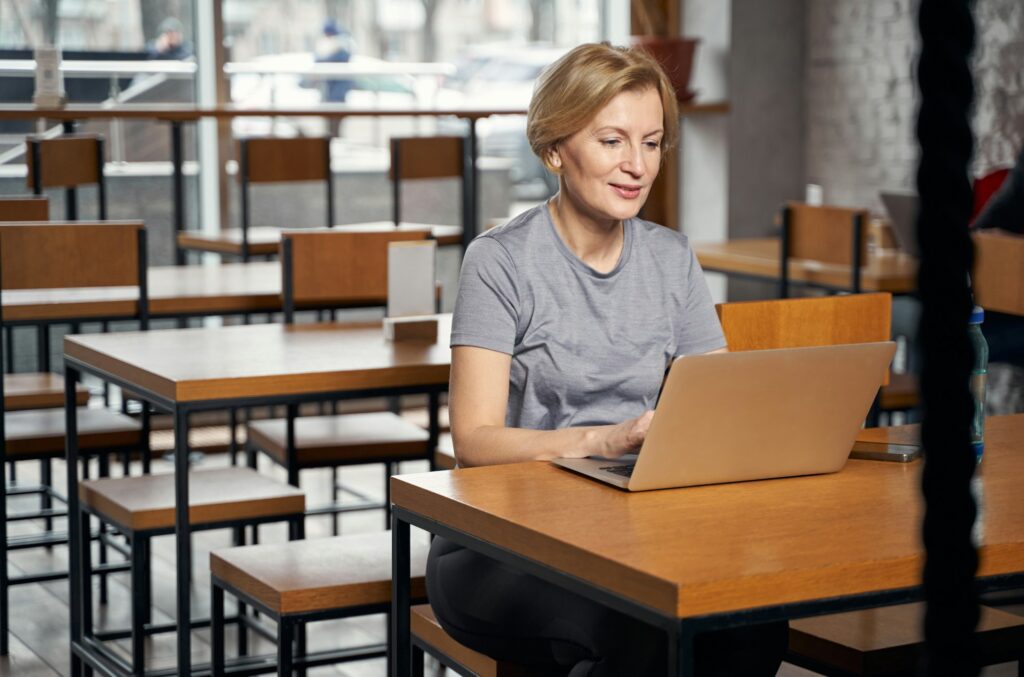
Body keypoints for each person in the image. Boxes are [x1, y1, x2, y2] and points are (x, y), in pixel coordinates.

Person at [425, 43, 789, 675]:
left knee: (750, 625)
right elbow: (473, 440)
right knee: (638, 631)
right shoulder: (500, 260)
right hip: (503, 541)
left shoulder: (672, 257)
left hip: (635, 529)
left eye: (651, 144)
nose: (637, 166)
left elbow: (718, 404)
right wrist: (606, 439)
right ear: (554, 149)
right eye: (613, 141)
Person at [315, 18, 354, 104]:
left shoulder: (342, 44)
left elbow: (344, 58)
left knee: (336, 105)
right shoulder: (325, 44)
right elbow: (318, 61)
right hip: (328, 86)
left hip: (338, 86)